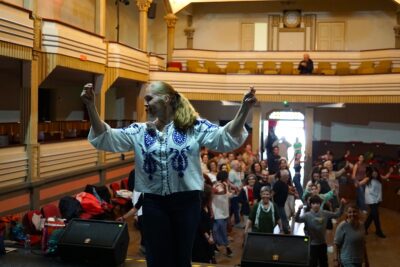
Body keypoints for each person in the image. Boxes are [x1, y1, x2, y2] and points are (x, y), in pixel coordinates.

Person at [80, 81, 257, 267]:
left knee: (182, 258)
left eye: (149, 98)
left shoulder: (193, 127)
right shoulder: (139, 131)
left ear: (166, 99)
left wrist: (244, 108)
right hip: (153, 203)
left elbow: (225, 137)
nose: (145, 103)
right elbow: (106, 137)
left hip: (187, 203)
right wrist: (91, 106)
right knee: (156, 258)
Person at [295, 195, 345, 267]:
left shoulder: (325, 213)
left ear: (320, 204)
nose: (316, 205)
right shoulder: (307, 215)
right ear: (311, 204)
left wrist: (342, 205)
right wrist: (299, 210)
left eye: (317, 203)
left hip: (322, 244)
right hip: (312, 245)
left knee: (324, 263)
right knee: (313, 263)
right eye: (313, 203)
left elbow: (337, 214)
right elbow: (297, 219)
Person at [359, 166, 392, 238]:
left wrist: (390, 172)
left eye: (376, 173)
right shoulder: (368, 178)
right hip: (371, 200)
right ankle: (378, 231)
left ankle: (364, 228)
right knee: (376, 216)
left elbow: (386, 177)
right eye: (373, 174)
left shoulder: (379, 178)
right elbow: (359, 183)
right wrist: (357, 180)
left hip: (377, 200)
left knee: (372, 215)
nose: (375, 175)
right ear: (371, 174)